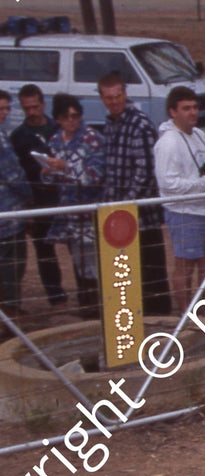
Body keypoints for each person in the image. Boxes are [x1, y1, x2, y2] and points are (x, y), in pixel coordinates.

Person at [97, 73, 170, 314]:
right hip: (116, 216)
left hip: (141, 217)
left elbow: (146, 170)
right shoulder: (109, 125)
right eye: (108, 97)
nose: (114, 101)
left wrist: (125, 205)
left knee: (151, 274)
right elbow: (110, 168)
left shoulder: (139, 124)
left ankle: (160, 323)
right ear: (102, 98)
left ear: (125, 94)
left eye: (118, 95)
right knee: (124, 273)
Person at [154, 85, 205, 312]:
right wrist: (204, 181)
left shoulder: (201, 135)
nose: (192, 112)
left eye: (195, 107)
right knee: (185, 266)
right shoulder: (168, 143)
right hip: (184, 212)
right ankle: (185, 317)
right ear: (173, 111)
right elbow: (168, 185)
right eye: (186, 108)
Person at [40, 94, 103, 317]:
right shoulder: (55, 141)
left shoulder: (91, 138)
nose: (71, 120)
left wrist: (65, 167)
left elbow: (95, 175)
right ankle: (87, 309)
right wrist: (48, 171)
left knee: (96, 267)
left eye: (75, 115)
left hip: (90, 214)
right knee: (79, 266)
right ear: (57, 119)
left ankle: (98, 311)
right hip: (69, 216)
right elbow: (50, 181)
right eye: (66, 117)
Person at [9, 84, 64, 307]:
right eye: (26, 108)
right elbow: (17, 172)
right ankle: (56, 297)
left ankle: (86, 298)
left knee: (75, 247)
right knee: (44, 250)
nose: (31, 112)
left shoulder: (58, 128)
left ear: (43, 104)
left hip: (62, 195)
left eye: (34, 107)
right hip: (38, 197)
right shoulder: (18, 137)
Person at [0, 108, 31, 314]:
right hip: (8, 215)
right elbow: (12, 173)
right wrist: (30, 198)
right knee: (12, 267)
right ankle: (10, 316)